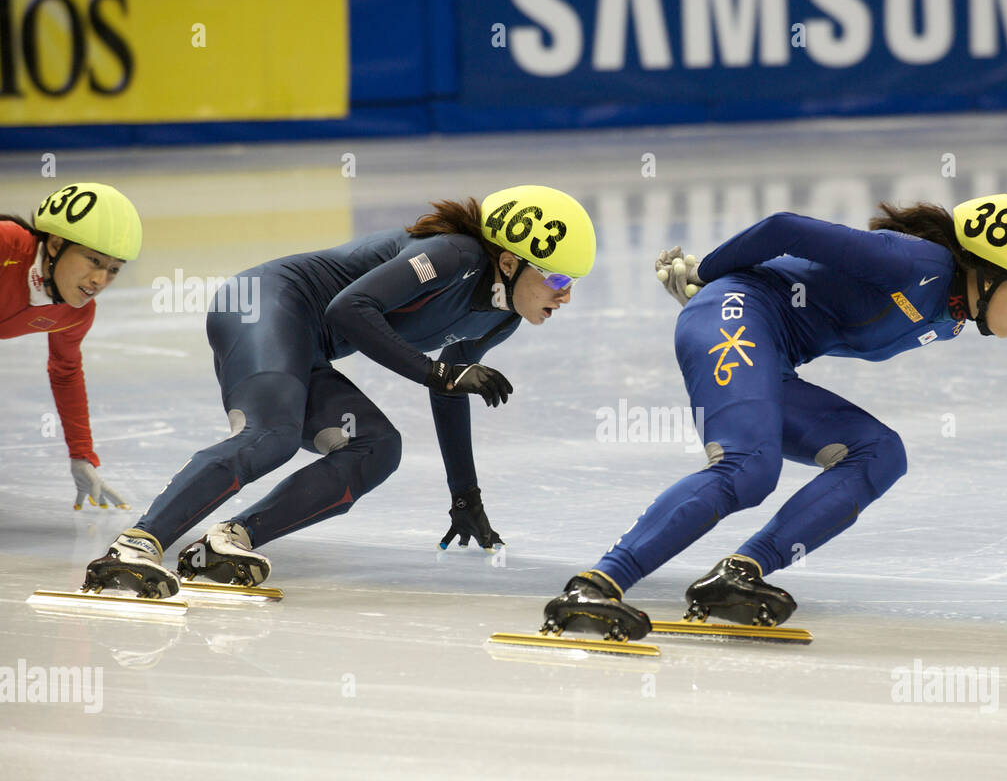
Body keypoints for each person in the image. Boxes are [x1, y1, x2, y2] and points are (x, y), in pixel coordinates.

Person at [542, 194, 1007, 641]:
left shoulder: (952, 315)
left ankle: (738, 574)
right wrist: (704, 275)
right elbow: (785, 228)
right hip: (732, 316)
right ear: (991, 272)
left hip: (770, 352)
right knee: (749, 469)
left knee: (880, 452)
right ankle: (595, 585)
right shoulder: (918, 265)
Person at [82, 185, 595, 598]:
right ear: (508, 262)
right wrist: (439, 374)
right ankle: (137, 543)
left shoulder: (502, 317)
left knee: (378, 447)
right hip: (262, 304)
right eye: (555, 277)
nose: (565, 294)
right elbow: (349, 310)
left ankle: (226, 542)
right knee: (273, 435)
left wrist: (466, 495)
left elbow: (449, 389)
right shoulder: (451, 254)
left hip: (305, 344)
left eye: (574, 281)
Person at [1, 182, 142, 511]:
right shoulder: (7, 244)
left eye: (113, 270)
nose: (99, 280)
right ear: (55, 243)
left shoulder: (76, 314)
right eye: (93, 260)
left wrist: (82, 455)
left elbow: (65, 373)